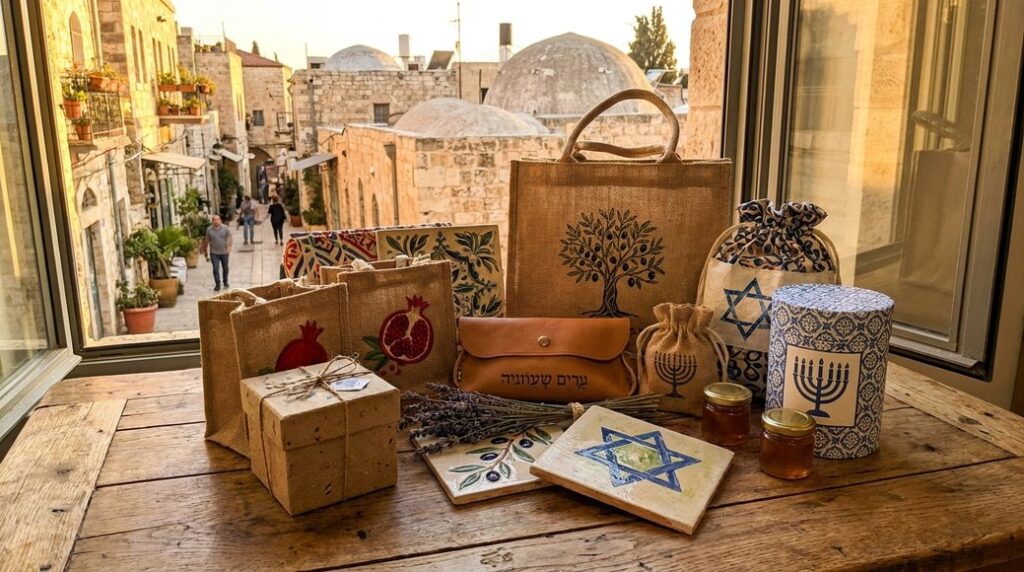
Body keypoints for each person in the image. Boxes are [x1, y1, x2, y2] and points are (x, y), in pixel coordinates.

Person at [206, 214, 233, 291]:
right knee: (215, 268)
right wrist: (205, 251)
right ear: (212, 221)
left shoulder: (225, 228)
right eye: (214, 220)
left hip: (224, 252)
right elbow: (207, 240)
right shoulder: (209, 230)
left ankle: (225, 281)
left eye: (217, 219)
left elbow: (229, 237)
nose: (216, 221)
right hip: (214, 253)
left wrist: (229, 246)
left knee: (225, 268)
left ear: (220, 220)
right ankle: (217, 284)